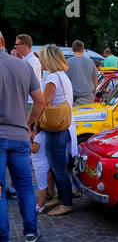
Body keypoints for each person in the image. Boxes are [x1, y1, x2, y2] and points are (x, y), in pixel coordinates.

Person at [0, 30, 45, 242]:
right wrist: (28, 124)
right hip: (19, 135)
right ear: (3, 42)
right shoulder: (23, 65)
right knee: (26, 187)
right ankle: (30, 231)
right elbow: (40, 101)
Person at [38, 44, 78, 216]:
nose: (40, 62)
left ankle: (66, 203)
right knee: (60, 166)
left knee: (57, 167)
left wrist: (33, 124)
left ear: (48, 59)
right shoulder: (63, 76)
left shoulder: (52, 78)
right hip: (66, 126)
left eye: (41, 58)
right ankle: (63, 198)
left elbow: (42, 104)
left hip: (56, 128)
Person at [30, 129, 56, 214]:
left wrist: (28, 140)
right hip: (44, 162)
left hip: (40, 165)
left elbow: (34, 150)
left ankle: (40, 206)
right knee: (44, 186)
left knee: (42, 186)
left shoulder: (39, 136)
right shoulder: (46, 134)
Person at [65, 40, 98, 106]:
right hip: (89, 97)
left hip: (75, 98)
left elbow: (65, 81)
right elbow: (95, 79)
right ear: (82, 49)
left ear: (72, 49)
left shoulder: (68, 62)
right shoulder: (90, 61)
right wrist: (94, 93)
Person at [15, 34, 42, 110]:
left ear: (24, 45)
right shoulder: (26, 60)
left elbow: (24, 82)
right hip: (27, 100)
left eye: (17, 44)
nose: (15, 47)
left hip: (30, 100)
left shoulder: (32, 61)